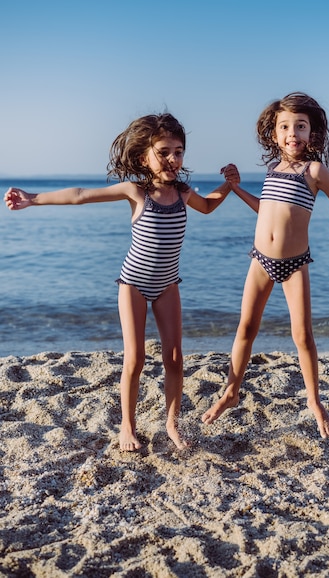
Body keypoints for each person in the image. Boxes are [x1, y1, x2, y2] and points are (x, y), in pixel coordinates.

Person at [4, 112, 238, 452]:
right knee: (136, 358)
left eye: (178, 151)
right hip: (133, 284)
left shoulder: (185, 194)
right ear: (145, 156)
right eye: (164, 151)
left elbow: (209, 206)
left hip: (167, 285)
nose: (173, 159)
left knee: (175, 358)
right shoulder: (136, 191)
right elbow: (81, 195)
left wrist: (228, 185)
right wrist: (33, 198)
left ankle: (171, 423)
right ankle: (127, 427)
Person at [202, 92, 329, 439]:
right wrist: (236, 189)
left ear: (311, 133)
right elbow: (267, 210)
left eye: (300, 126)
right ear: (274, 135)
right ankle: (230, 391)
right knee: (246, 328)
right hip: (260, 259)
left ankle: (314, 401)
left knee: (302, 336)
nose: (293, 133)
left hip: (294, 263)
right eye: (285, 127)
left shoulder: (314, 170)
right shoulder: (273, 170)